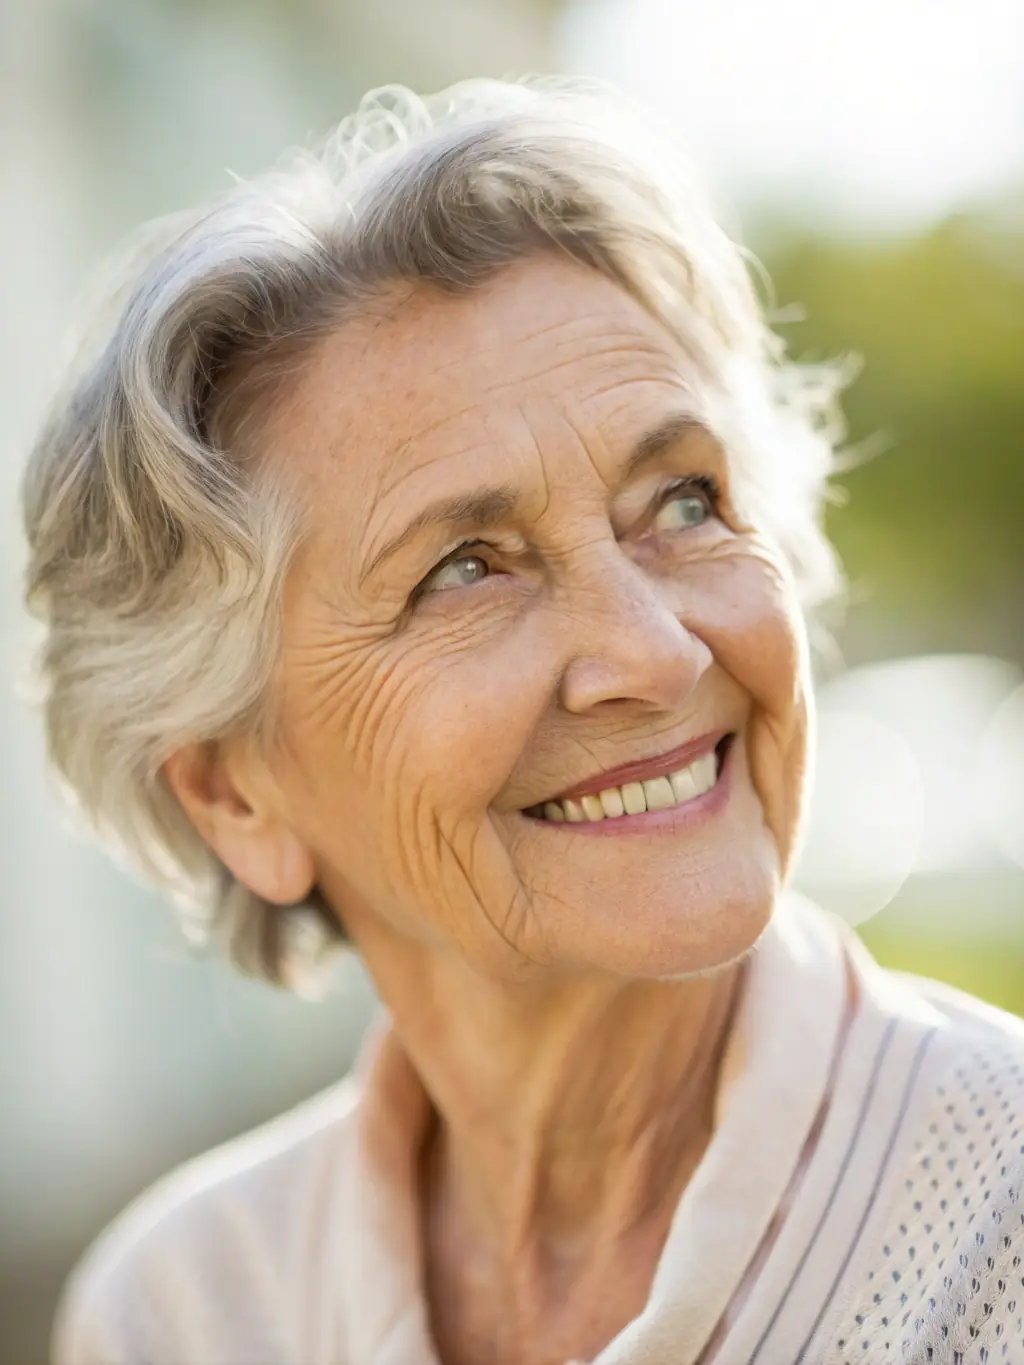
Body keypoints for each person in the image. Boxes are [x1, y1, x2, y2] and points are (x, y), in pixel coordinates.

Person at [23, 78, 1024, 1365]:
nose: (656, 656)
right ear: (233, 795)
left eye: (680, 502)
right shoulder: (183, 1313)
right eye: (465, 570)